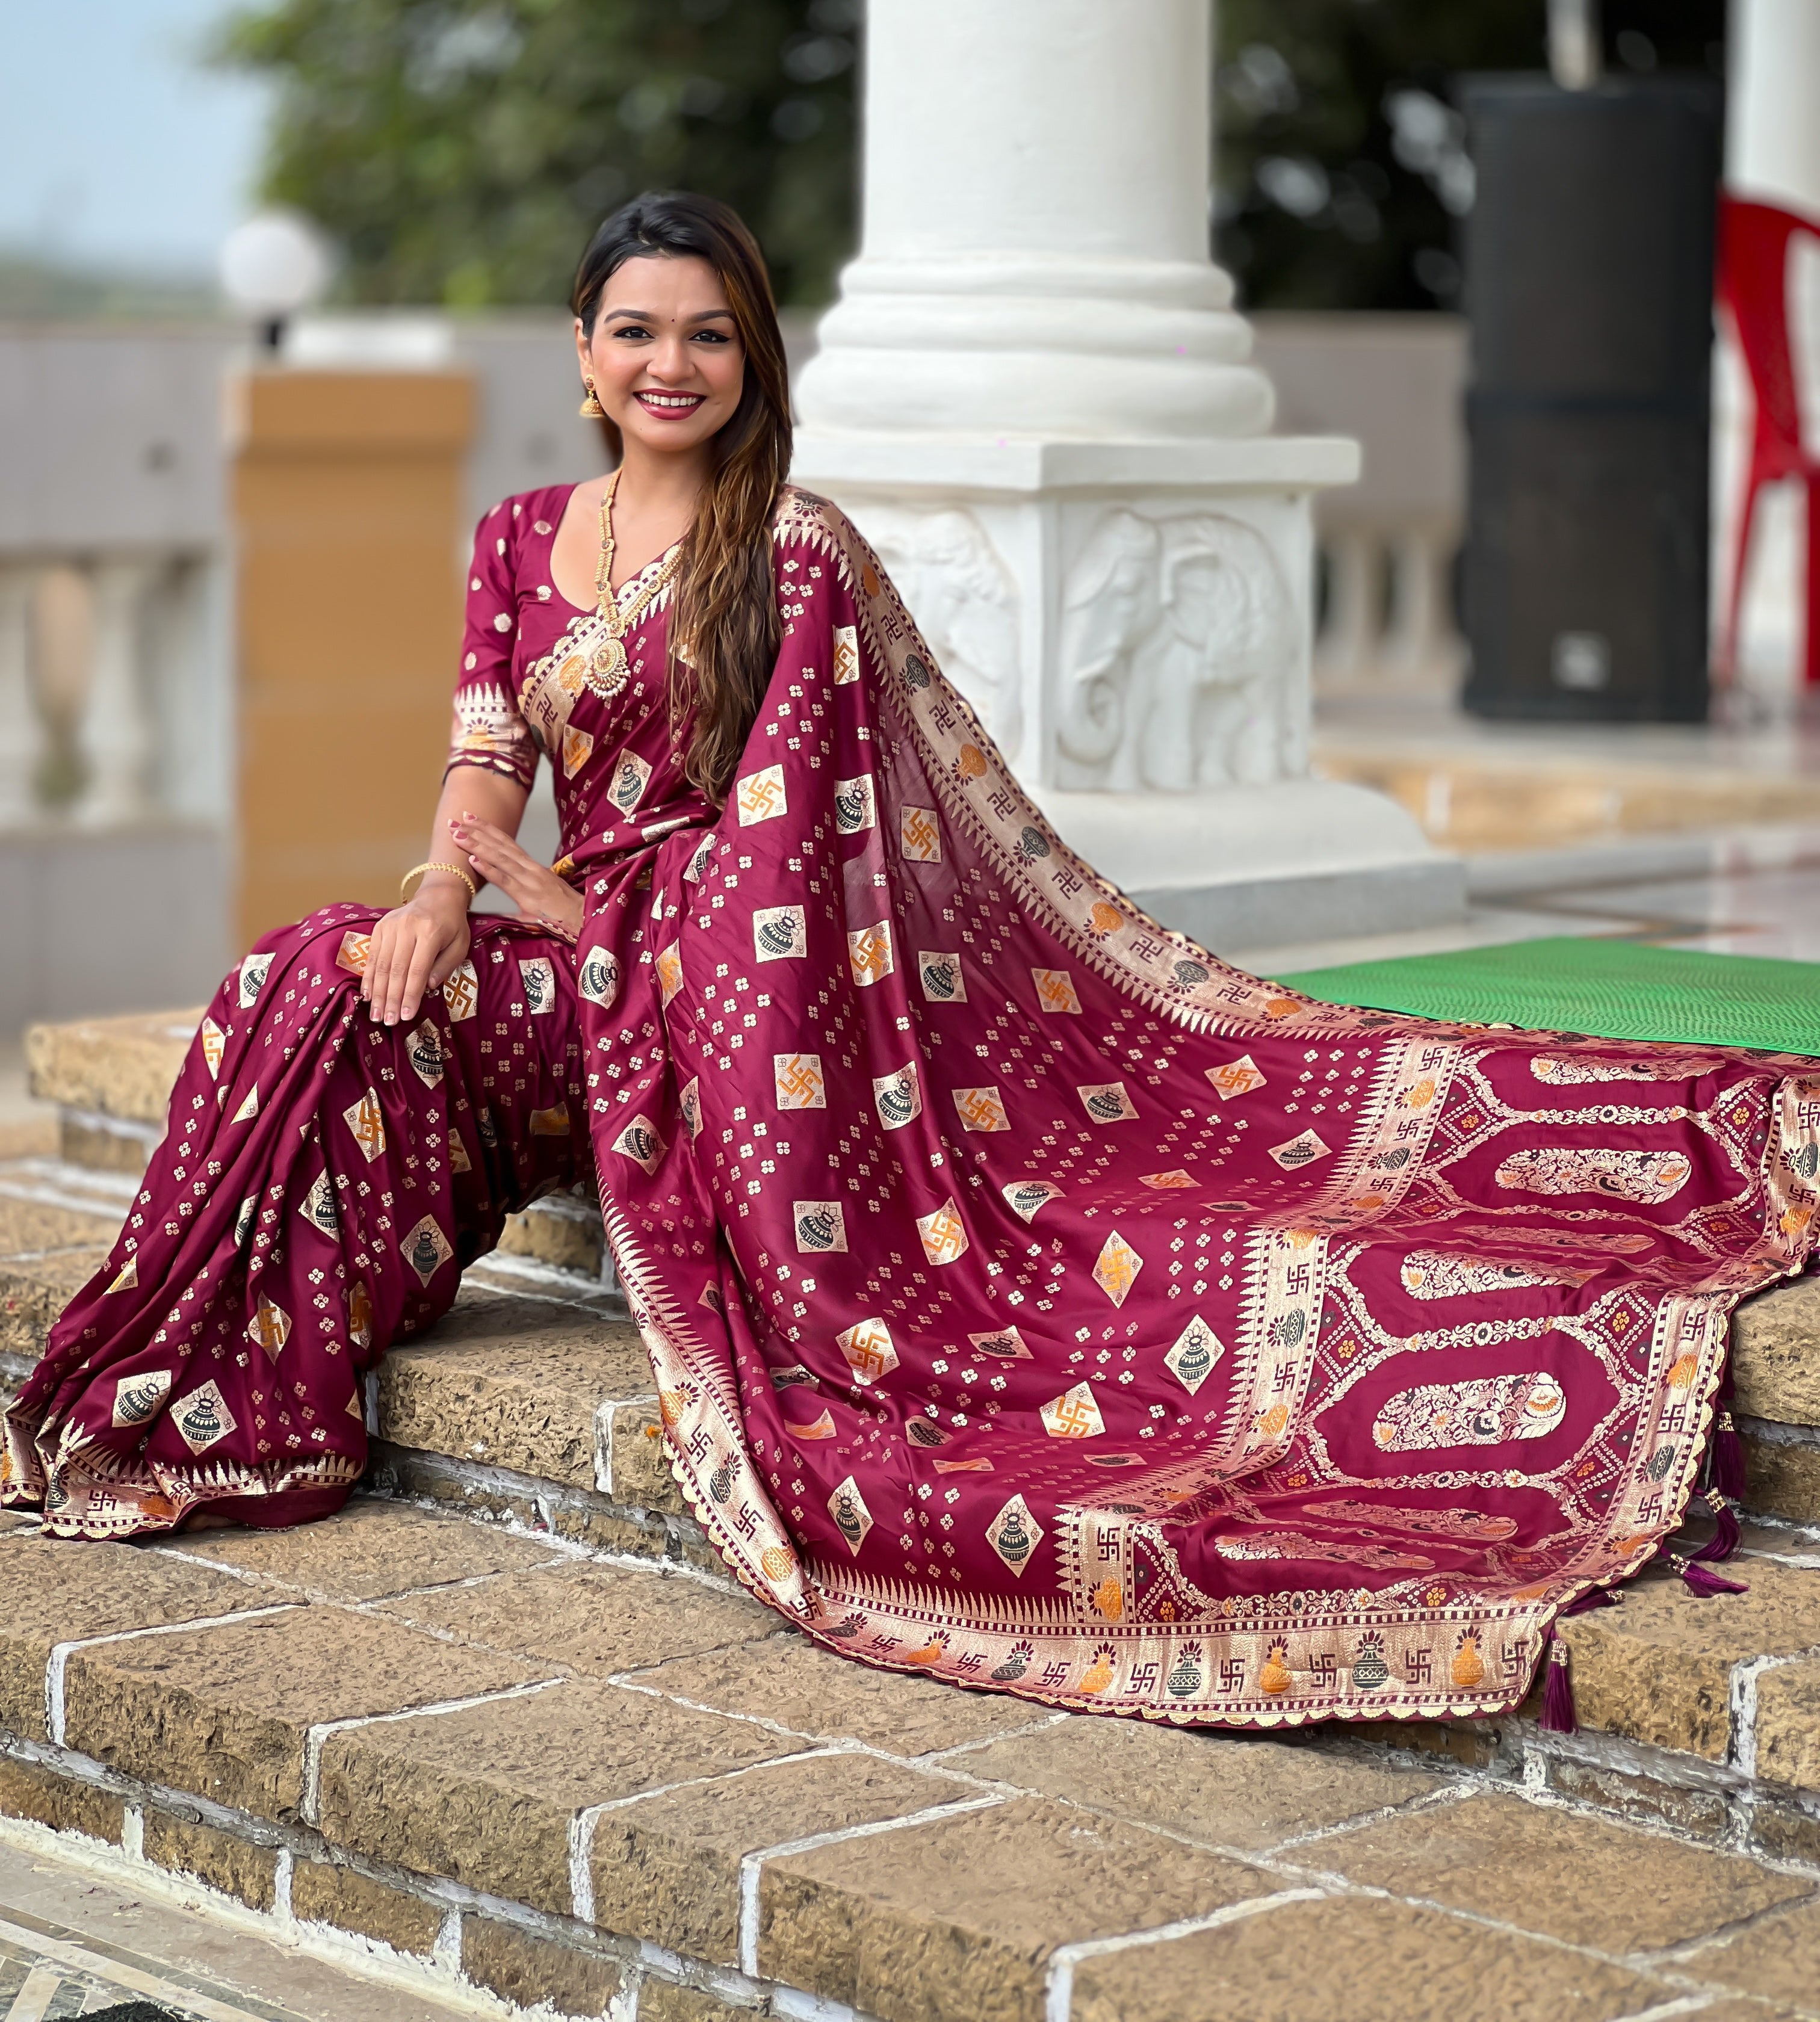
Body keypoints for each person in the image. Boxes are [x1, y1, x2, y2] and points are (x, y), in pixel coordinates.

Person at [6, 191, 1816, 1732]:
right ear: (579, 349)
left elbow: (792, 877)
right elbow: (489, 753)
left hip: (718, 1009)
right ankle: (244, 1404)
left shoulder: (791, 553)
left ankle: (230, 1390)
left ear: (752, 358)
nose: (670, 366)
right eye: (636, 331)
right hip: (588, 974)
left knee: (349, 986)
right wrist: (436, 894)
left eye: (709, 336)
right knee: (317, 976)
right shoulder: (511, 542)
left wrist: (594, 922)